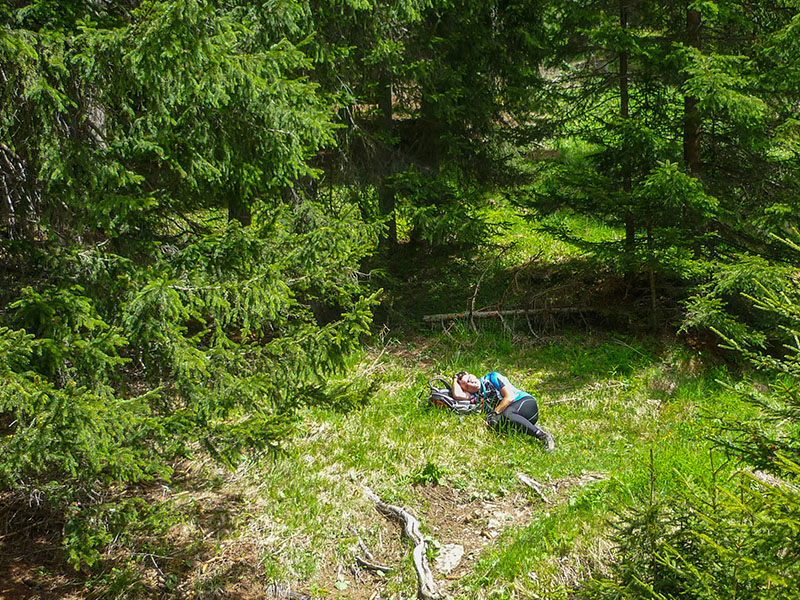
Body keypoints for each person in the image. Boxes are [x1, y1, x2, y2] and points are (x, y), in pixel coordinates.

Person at [452, 371, 555, 452]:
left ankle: (543, 436)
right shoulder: (475, 395)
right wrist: (455, 378)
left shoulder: (492, 377)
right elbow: (457, 395)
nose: (471, 384)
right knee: (493, 424)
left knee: (506, 415)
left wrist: (494, 413)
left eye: (469, 379)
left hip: (525, 403)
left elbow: (509, 397)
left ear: (473, 375)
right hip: (511, 414)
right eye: (466, 386)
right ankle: (529, 427)